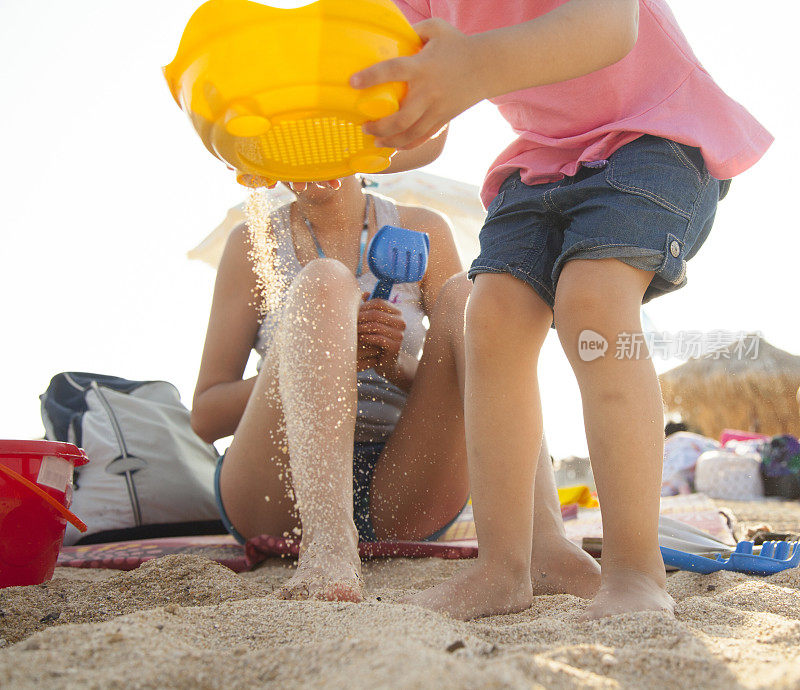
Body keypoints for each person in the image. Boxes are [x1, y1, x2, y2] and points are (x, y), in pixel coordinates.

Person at [349, 0, 772, 619]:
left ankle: (635, 568)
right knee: (489, 317)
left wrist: (472, 65)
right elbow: (420, 123)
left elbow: (607, 27)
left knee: (593, 302)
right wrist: (337, 135)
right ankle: (505, 568)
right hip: (543, 160)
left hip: (654, 134)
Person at [191, 174, 478, 602]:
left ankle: (534, 537)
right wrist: (312, 355)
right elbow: (207, 417)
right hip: (281, 488)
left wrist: (394, 366)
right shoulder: (254, 244)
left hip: (405, 482)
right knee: (324, 280)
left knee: (465, 295)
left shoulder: (424, 229)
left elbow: (466, 383)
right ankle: (327, 548)